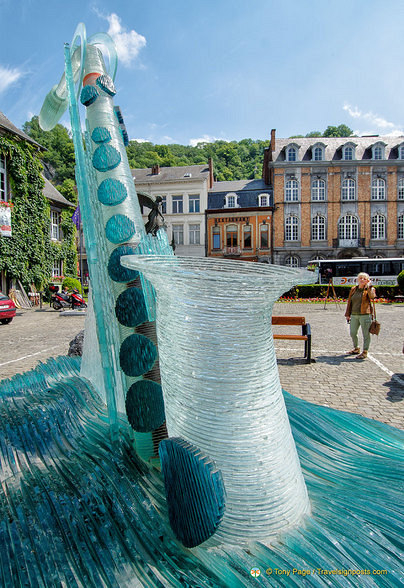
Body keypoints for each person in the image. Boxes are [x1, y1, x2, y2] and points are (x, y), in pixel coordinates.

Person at [345, 273, 376, 359]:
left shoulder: (369, 289)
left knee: (366, 334)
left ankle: (365, 351)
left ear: (368, 280)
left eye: (364, 279)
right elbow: (349, 302)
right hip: (354, 314)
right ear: (357, 280)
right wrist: (347, 314)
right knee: (353, 332)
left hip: (365, 314)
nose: (362, 280)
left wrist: (369, 286)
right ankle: (356, 348)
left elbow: (372, 297)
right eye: (360, 278)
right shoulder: (353, 289)